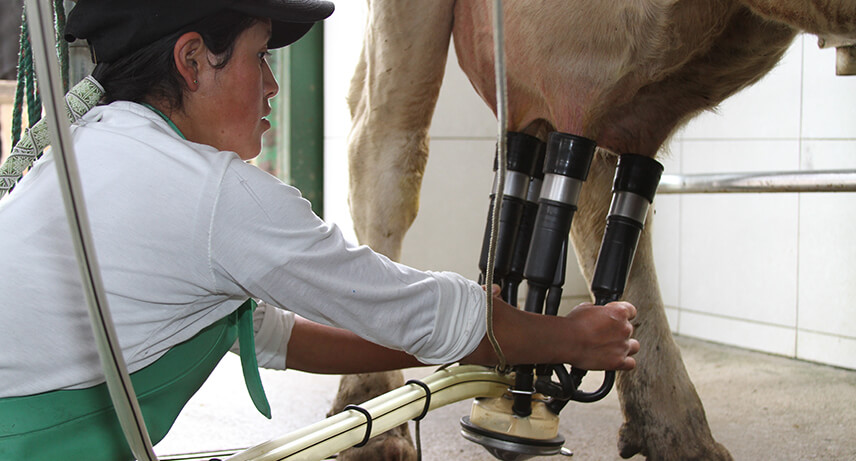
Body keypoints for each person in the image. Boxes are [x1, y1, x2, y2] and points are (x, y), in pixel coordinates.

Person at [0, 0, 639, 459]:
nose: (274, 86)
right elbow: (421, 310)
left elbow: (281, 337)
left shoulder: (86, 144)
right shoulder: (215, 194)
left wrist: (489, 341)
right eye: (260, 58)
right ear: (192, 60)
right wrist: (567, 337)